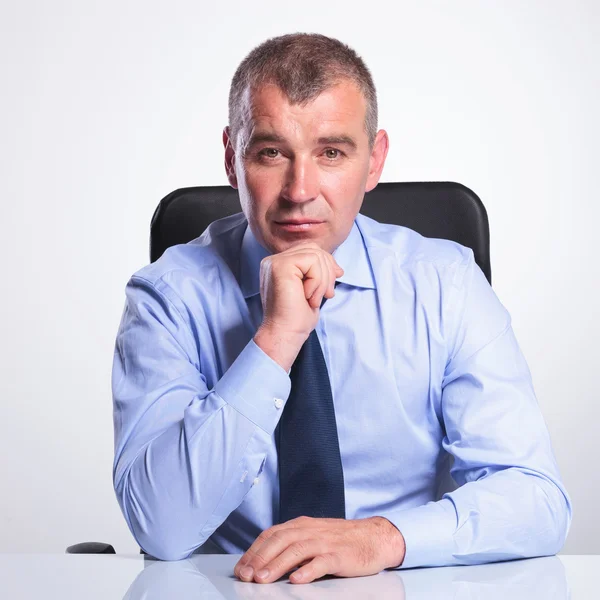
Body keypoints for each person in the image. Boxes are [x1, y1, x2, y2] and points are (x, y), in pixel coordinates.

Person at [111, 33, 572, 584]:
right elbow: (159, 527)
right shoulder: (167, 297)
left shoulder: (446, 284)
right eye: (271, 153)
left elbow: (537, 498)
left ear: (373, 162)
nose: (299, 190)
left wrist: (382, 539)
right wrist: (276, 339)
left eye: (331, 152)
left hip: (403, 585)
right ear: (233, 160)